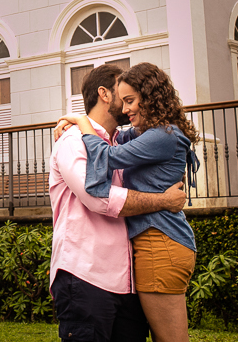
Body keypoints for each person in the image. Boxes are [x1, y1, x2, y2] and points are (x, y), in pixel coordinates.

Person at [55, 62, 200, 342]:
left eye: (131, 100)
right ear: (105, 94)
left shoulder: (160, 135)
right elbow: (98, 193)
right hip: (101, 268)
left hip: (159, 244)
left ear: (150, 97)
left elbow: (106, 158)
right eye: (124, 99)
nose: (125, 108)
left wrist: (82, 122)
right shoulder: (82, 141)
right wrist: (77, 121)